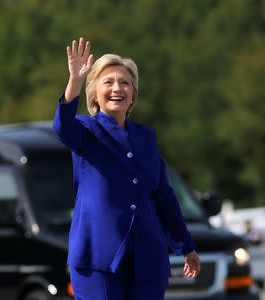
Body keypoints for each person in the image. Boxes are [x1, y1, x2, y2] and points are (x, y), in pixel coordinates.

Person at [53, 37, 200, 300]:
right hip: (97, 259)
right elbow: (62, 127)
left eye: (124, 83)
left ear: (133, 95)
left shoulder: (146, 138)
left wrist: (185, 246)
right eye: (108, 82)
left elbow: (163, 196)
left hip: (148, 259)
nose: (117, 88)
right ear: (95, 92)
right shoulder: (86, 131)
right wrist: (75, 80)